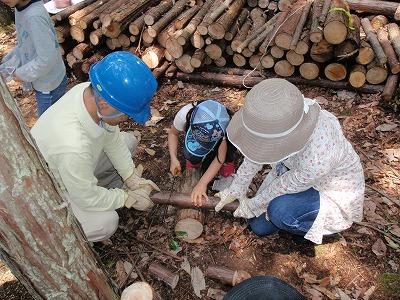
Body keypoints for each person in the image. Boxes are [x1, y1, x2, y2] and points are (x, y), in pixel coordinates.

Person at [215, 78, 365, 245]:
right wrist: (237, 188)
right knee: (259, 227)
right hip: (292, 174)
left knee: (280, 213)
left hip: (327, 190)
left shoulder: (318, 155)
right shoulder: (280, 117)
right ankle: (293, 217)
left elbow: (287, 184)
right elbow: (256, 150)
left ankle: (313, 229)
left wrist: (254, 205)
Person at [31, 51, 159, 242]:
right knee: (105, 222)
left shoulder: (92, 94)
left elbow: (112, 139)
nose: (127, 118)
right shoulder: (72, 144)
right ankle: (48, 237)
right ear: (105, 104)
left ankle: (103, 188)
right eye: (125, 114)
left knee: (127, 142)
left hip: (74, 169)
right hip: (48, 192)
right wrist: (125, 198)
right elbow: (87, 197)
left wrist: (131, 178)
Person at [0, 0, 67, 116]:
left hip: (50, 85)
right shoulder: (20, 8)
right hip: (45, 79)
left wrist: (21, 73)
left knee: (47, 124)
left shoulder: (34, 16)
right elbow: (26, 43)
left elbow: (47, 59)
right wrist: (9, 62)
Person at [168, 100, 236, 206]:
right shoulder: (184, 114)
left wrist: (202, 183)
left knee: (228, 153)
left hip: (223, 141)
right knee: (189, 154)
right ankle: (195, 163)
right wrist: (173, 158)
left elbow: (220, 158)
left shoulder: (225, 127)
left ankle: (227, 167)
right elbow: (173, 133)